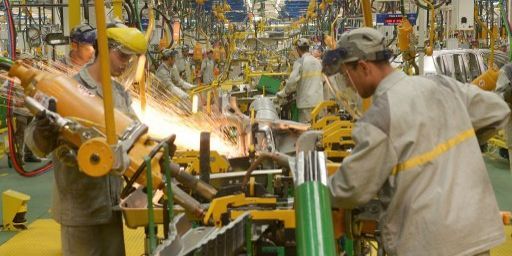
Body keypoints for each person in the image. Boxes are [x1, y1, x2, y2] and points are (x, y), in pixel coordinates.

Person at [327, 27, 509, 255]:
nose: (347, 83)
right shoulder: (443, 86)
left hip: (427, 243)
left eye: (346, 75)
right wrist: (470, 139)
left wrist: (317, 189)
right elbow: (498, 111)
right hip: (474, 237)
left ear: (363, 67)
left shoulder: (380, 118)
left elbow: (351, 189)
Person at [25, 24, 147, 256]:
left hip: (111, 206)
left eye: (130, 59)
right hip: (79, 208)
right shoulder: (66, 89)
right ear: (103, 48)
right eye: (122, 55)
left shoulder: (119, 94)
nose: (125, 63)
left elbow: (135, 137)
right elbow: (35, 146)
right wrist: (44, 130)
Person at [276, 38, 324, 123]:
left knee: (307, 130)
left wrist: (282, 94)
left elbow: (291, 83)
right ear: (308, 48)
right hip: (319, 102)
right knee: (319, 129)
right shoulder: (317, 62)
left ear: (297, 49)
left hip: (306, 104)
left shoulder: (300, 62)